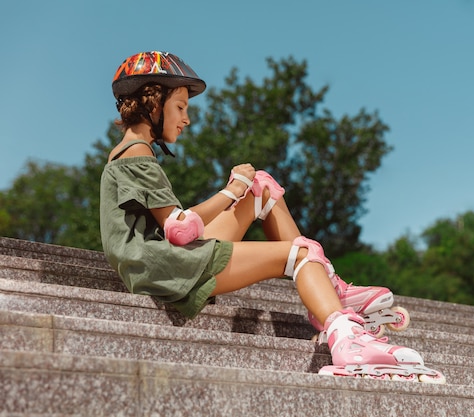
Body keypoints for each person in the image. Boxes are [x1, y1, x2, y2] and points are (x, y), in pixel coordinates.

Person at [100, 50, 444, 383]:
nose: (186, 118)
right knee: (301, 253)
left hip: (161, 261)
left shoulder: (129, 153)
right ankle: (346, 337)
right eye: (180, 107)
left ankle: (330, 290)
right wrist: (232, 190)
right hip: (164, 266)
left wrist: (243, 189)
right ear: (151, 102)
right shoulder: (137, 154)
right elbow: (179, 229)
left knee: (261, 187)